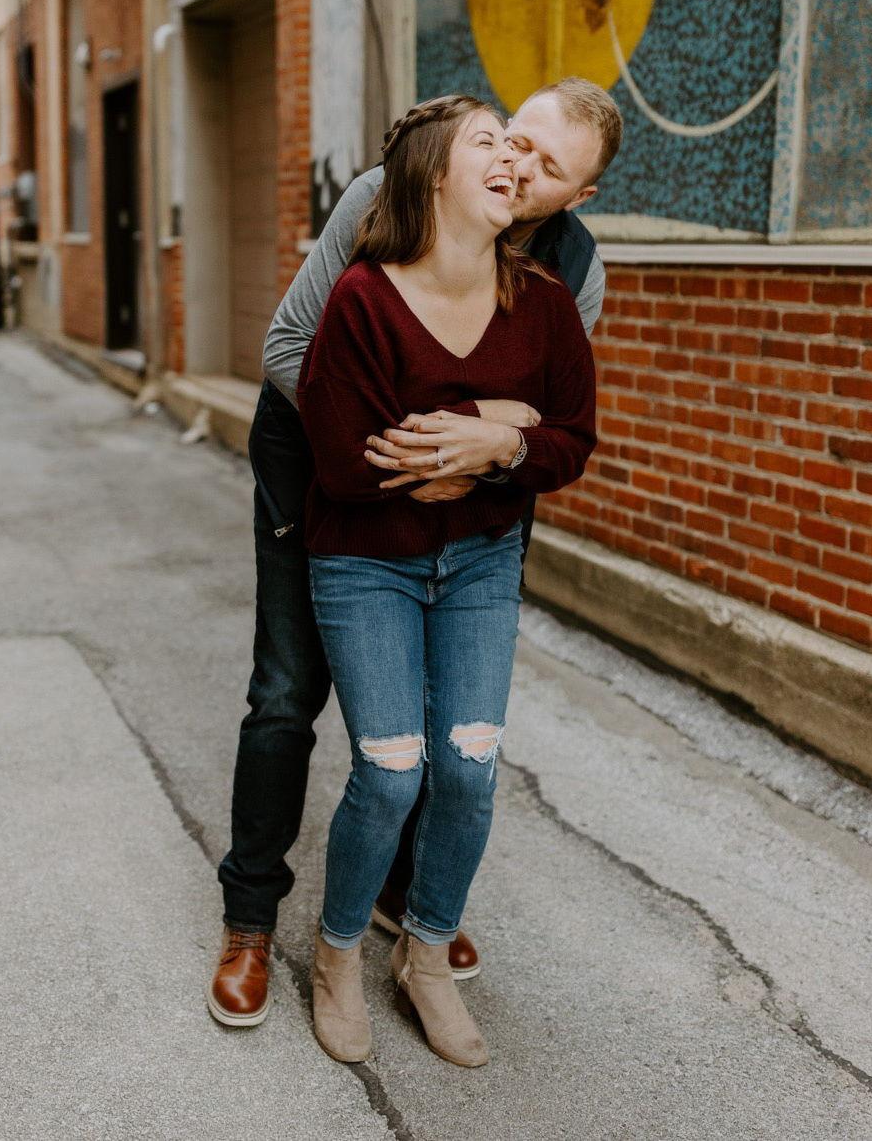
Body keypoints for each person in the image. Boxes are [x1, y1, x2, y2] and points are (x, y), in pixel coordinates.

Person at [208, 78, 623, 1030]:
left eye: (549, 165)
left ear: (580, 195)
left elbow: (549, 419)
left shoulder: (572, 271)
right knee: (288, 691)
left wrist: (484, 445)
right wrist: (422, 442)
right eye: (513, 138)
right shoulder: (384, 197)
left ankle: (405, 898)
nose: (520, 163)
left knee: (446, 722)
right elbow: (289, 344)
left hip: (470, 502)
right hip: (323, 462)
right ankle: (251, 919)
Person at [296, 95, 596, 1067]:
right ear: (432, 172)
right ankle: (338, 954)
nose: (512, 157)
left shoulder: (545, 300)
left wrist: (502, 441)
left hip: (480, 562)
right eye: (487, 142)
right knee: (392, 774)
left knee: (468, 768)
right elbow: (348, 461)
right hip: (364, 562)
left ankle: (425, 955)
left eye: (518, 145)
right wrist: (499, 424)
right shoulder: (362, 298)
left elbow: (571, 440)